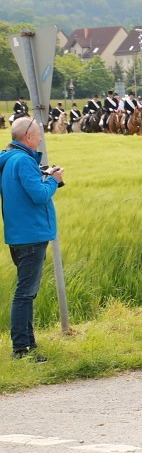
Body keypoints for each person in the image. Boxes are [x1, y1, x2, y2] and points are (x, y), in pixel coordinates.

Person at [0, 117, 64, 361]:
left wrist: (43, 175)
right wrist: (53, 181)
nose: (40, 139)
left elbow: (22, 191)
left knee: (27, 292)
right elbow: (39, 196)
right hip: (31, 235)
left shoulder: (8, 160)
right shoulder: (24, 161)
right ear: (27, 138)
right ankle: (21, 350)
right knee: (25, 294)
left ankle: (28, 345)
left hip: (18, 235)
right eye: (38, 135)